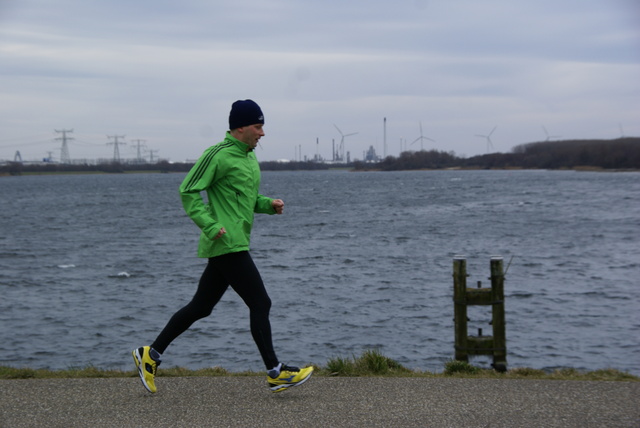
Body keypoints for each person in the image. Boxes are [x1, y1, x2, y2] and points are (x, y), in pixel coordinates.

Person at [132, 99, 313, 393]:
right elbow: (188, 190)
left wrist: (268, 204)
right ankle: (275, 371)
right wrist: (211, 225)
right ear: (240, 127)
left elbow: (247, 199)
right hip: (226, 242)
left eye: (263, 126)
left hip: (234, 241)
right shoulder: (217, 155)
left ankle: (150, 356)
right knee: (260, 302)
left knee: (201, 307)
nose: (262, 133)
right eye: (258, 126)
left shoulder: (249, 158)